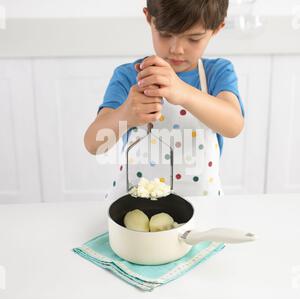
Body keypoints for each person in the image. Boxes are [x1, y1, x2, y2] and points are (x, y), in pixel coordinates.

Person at [84, 0, 245, 202]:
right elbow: (93, 144)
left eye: (193, 39)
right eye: (166, 34)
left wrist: (184, 93)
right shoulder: (128, 76)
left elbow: (234, 125)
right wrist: (125, 113)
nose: (177, 49)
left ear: (217, 28)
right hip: (136, 209)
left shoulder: (217, 73)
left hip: (203, 207)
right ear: (149, 18)